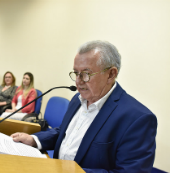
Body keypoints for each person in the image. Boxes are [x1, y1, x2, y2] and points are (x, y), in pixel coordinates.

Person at [11, 40, 157, 173]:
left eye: (86, 74)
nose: (78, 81)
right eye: (76, 73)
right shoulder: (77, 99)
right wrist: (34, 140)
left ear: (111, 74)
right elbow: (65, 134)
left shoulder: (137, 118)